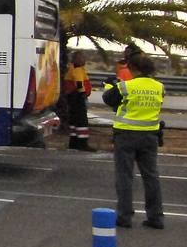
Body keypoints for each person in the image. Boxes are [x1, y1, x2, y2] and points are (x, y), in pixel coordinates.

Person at [103, 53, 165, 229]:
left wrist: (110, 85)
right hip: (150, 136)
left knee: (124, 176)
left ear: (134, 69)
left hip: (126, 136)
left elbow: (108, 99)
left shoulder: (125, 87)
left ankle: (124, 217)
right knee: (151, 177)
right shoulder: (159, 87)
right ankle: (156, 217)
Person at [63, 50, 92, 151]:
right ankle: (82, 144)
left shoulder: (73, 68)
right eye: (82, 57)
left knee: (74, 121)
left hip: (73, 97)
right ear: (76, 59)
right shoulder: (77, 69)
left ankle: (74, 143)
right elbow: (79, 83)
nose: (84, 59)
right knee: (81, 121)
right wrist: (82, 94)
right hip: (77, 97)